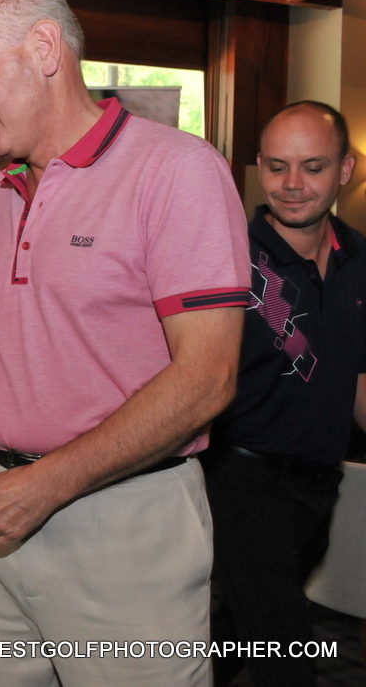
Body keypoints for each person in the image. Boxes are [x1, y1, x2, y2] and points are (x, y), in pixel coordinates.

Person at [0, 0, 251, 686]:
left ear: (45, 48)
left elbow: (208, 378)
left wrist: (47, 483)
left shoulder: (178, 171)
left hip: (120, 517)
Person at [203, 101, 366, 687]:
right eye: (277, 167)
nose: (292, 184)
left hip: (319, 483)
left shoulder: (360, 259)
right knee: (284, 651)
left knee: (234, 634)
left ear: (345, 169)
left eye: (312, 167)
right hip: (240, 479)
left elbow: (358, 376)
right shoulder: (227, 255)